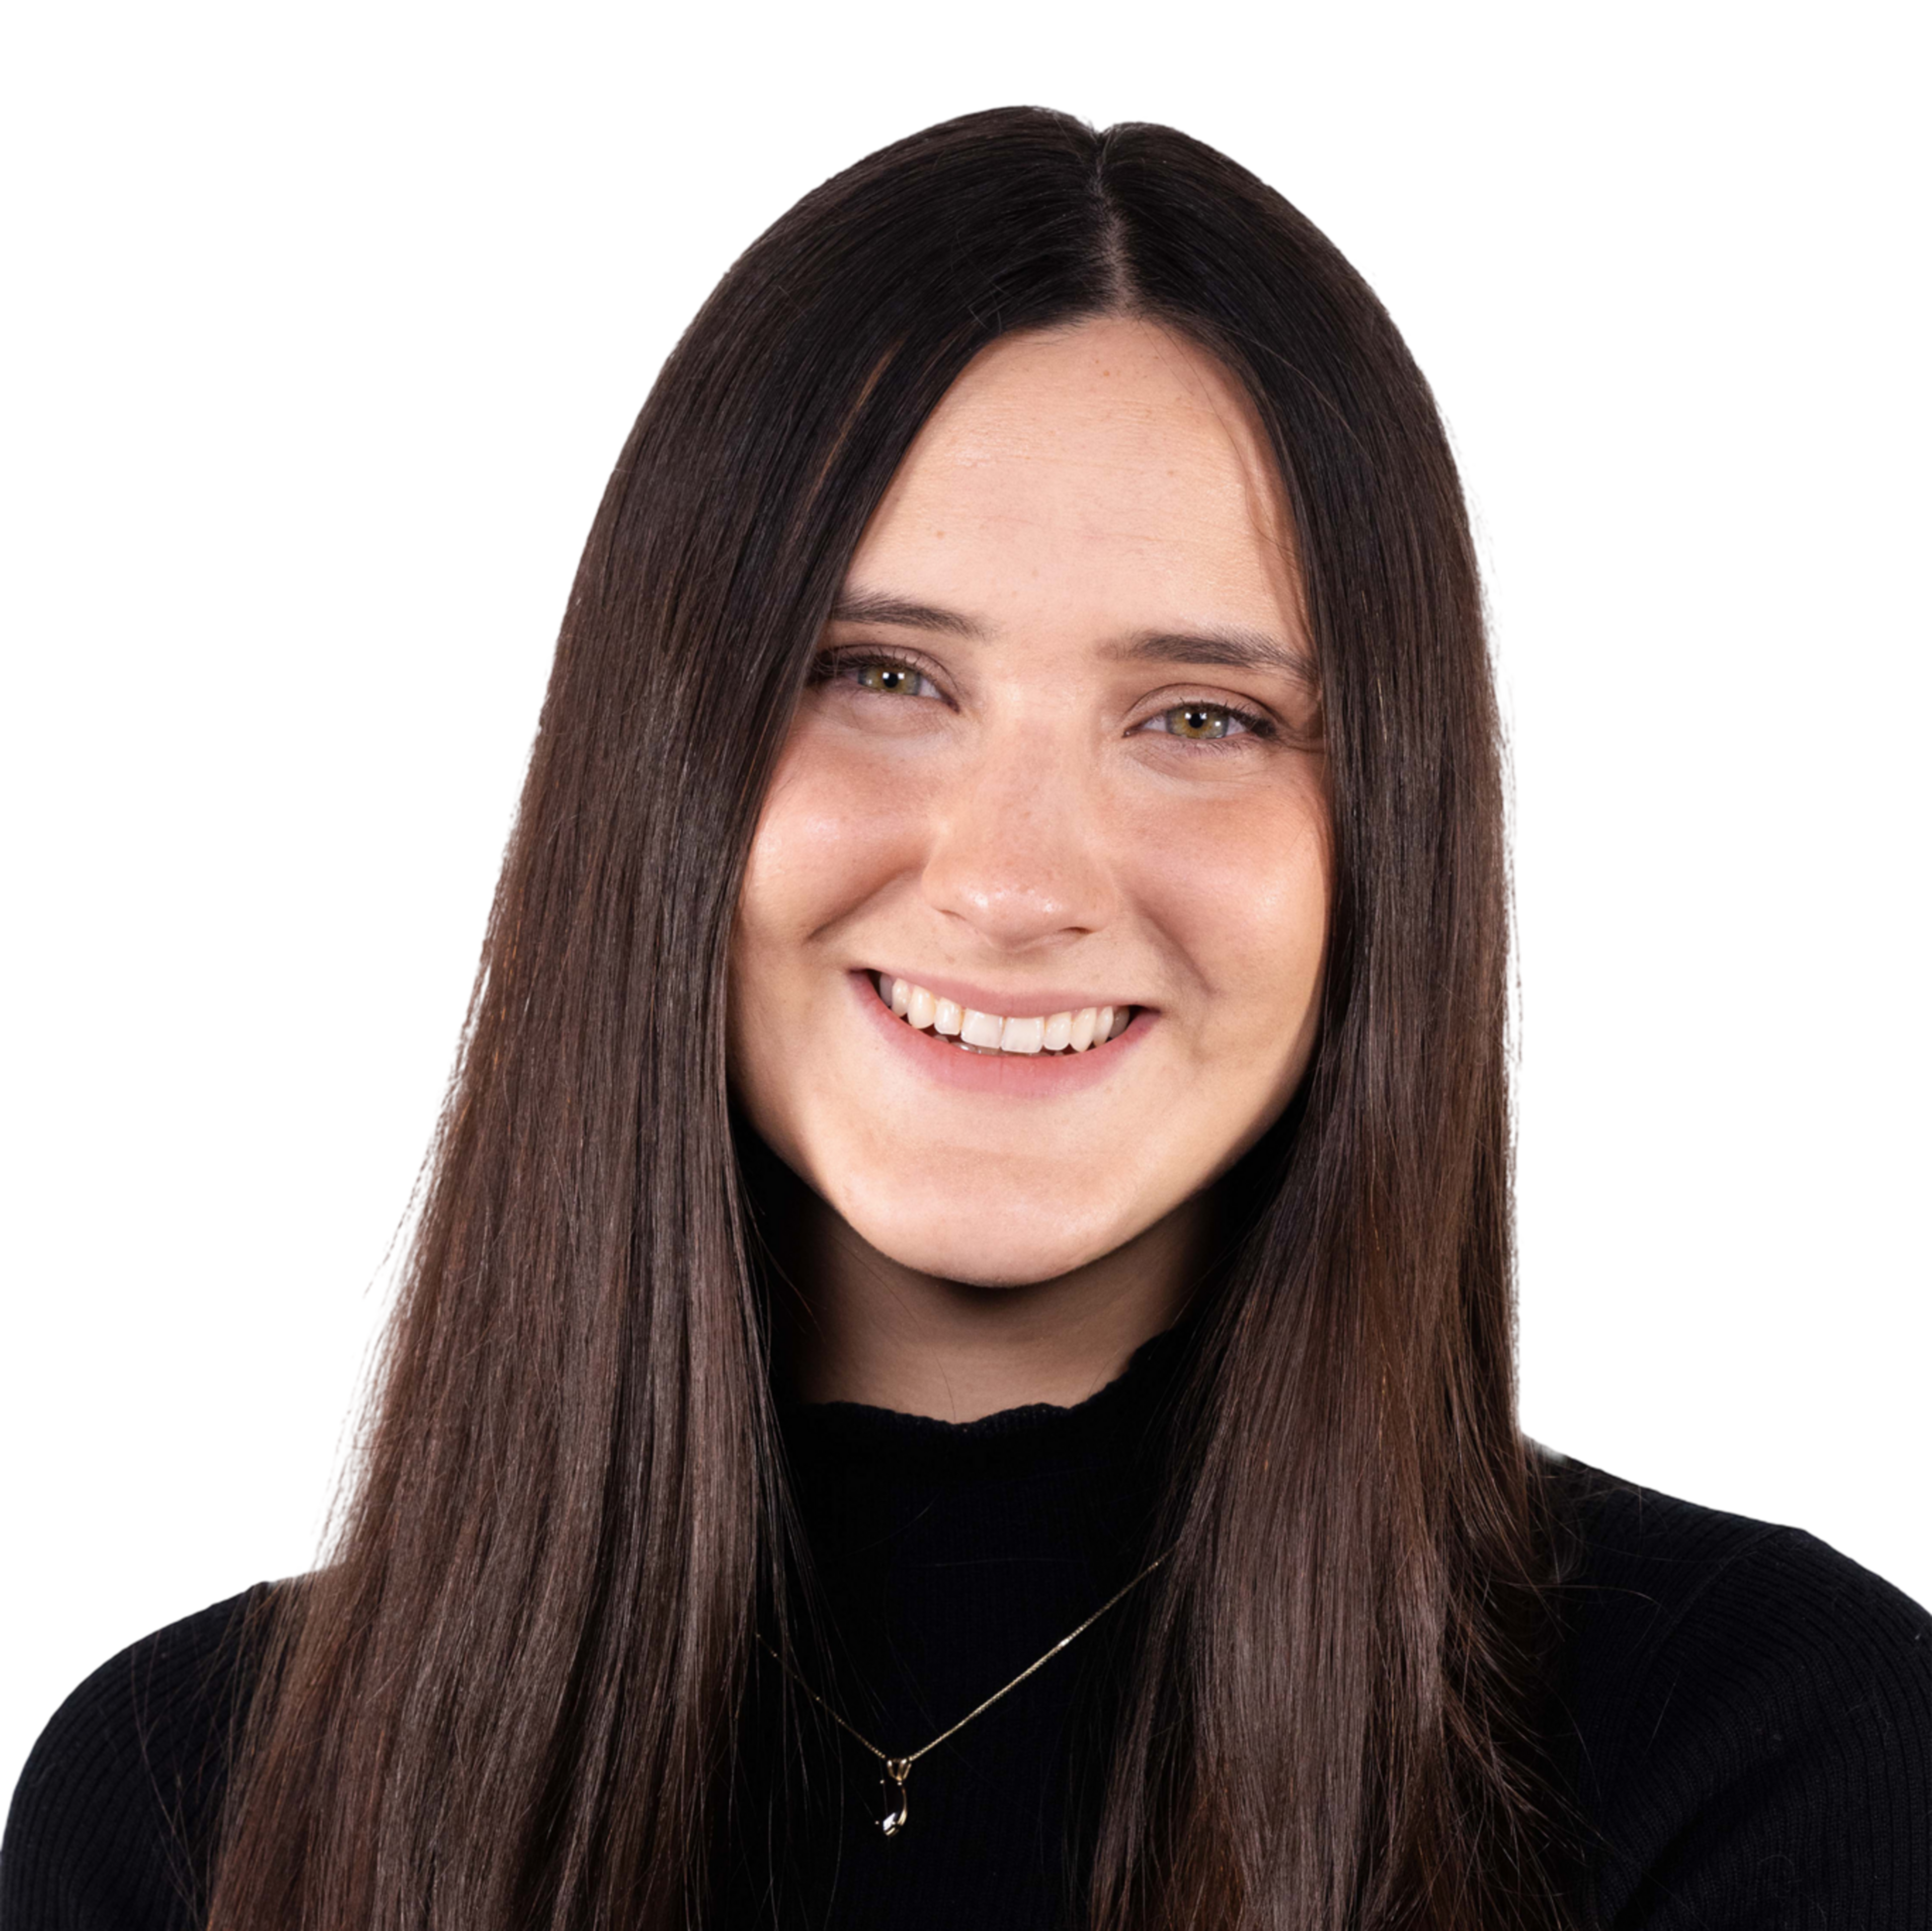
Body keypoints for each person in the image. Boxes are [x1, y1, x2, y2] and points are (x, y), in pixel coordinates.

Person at [4, 103, 1926, 1931]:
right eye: (880, 673)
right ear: (658, 766)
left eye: (1203, 717)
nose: (1015, 882)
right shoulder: (192, 1806)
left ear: (1389, 849)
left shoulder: (1770, 1747)